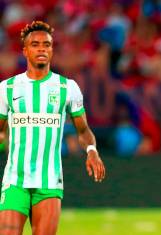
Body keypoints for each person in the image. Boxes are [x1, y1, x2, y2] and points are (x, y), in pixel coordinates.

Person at [0, 21, 106, 235]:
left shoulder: (68, 88)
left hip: (49, 183)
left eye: (46, 45)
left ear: (52, 50)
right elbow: (1, 131)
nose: (41, 49)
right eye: (35, 44)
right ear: (25, 50)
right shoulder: (7, 88)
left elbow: (83, 132)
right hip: (14, 181)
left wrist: (92, 151)